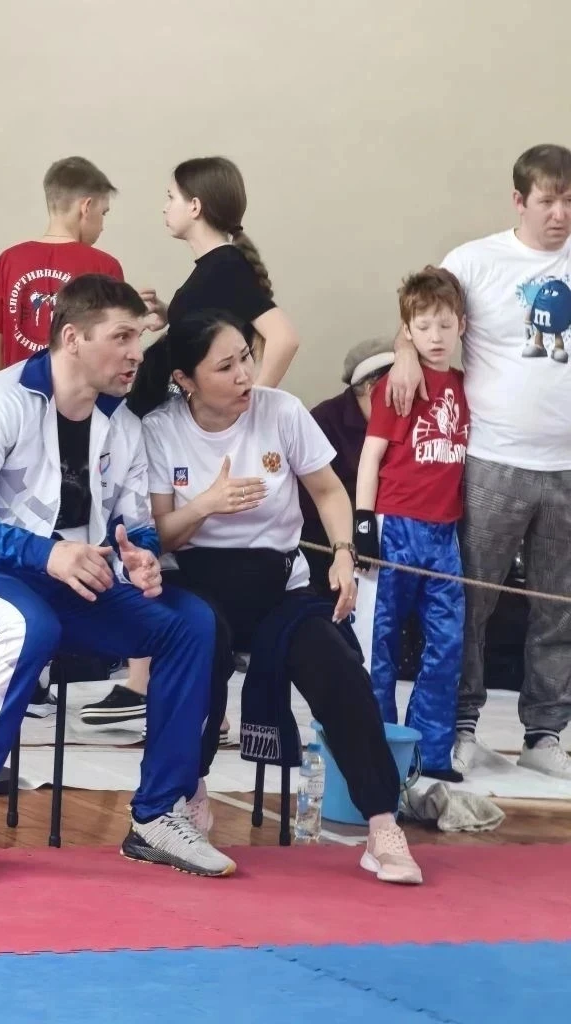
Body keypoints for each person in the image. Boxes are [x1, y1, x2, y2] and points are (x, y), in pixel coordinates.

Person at [0, 274, 235, 881]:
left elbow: (135, 527)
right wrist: (45, 554)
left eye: (139, 338)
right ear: (72, 339)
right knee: (27, 628)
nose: (137, 354)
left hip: (72, 578)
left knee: (191, 623)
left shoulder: (125, 424)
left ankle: (158, 815)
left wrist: (140, 558)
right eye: (122, 337)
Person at [128, 310, 423, 886]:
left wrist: (343, 554)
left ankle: (382, 823)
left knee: (337, 665)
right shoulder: (160, 428)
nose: (245, 374)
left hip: (280, 586)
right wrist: (207, 504)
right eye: (225, 366)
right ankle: (189, 792)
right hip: (195, 583)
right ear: (185, 379)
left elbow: (329, 492)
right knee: (197, 645)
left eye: (246, 357)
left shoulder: (281, 411)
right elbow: (161, 534)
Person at [81, 156, 301, 729]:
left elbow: (282, 337)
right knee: (147, 531)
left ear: (196, 205)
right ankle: (151, 680)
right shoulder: (213, 269)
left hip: (171, 429)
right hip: (159, 423)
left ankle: (149, 683)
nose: (165, 206)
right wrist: (166, 316)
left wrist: (252, 405)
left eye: (171, 196)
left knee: (148, 533)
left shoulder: (225, 266)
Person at [387, 144, 571, 779]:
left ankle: (545, 733)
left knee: (558, 604)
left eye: (569, 201)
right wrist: (403, 352)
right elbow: (419, 309)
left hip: (566, 464)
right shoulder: (475, 260)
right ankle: (461, 723)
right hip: (494, 457)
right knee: (471, 603)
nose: (559, 213)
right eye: (547, 201)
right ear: (519, 200)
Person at [353, 268, 468, 781]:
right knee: (379, 644)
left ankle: (431, 753)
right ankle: (377, 750)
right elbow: (371, 455)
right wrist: (362, 522)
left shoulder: (464, 385)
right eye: (423, 327)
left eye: (445, 325)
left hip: (445, 533)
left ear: (461, 326)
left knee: (446, 643)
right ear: (408, 330)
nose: (435, 337)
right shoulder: (397, 386)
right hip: (394, 526)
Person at [0, 157, 123, 375]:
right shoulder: (105, 266)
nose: (102, 226)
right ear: (86, 207)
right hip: (80, 394)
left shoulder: (9, 260)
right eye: (104, 213)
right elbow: (113, 348)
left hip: (19, 390)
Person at [299, 337, 396, 593]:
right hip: (333, 549)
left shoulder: (409, 419)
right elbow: (314, 501)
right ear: (373, 389)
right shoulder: (324, 421)